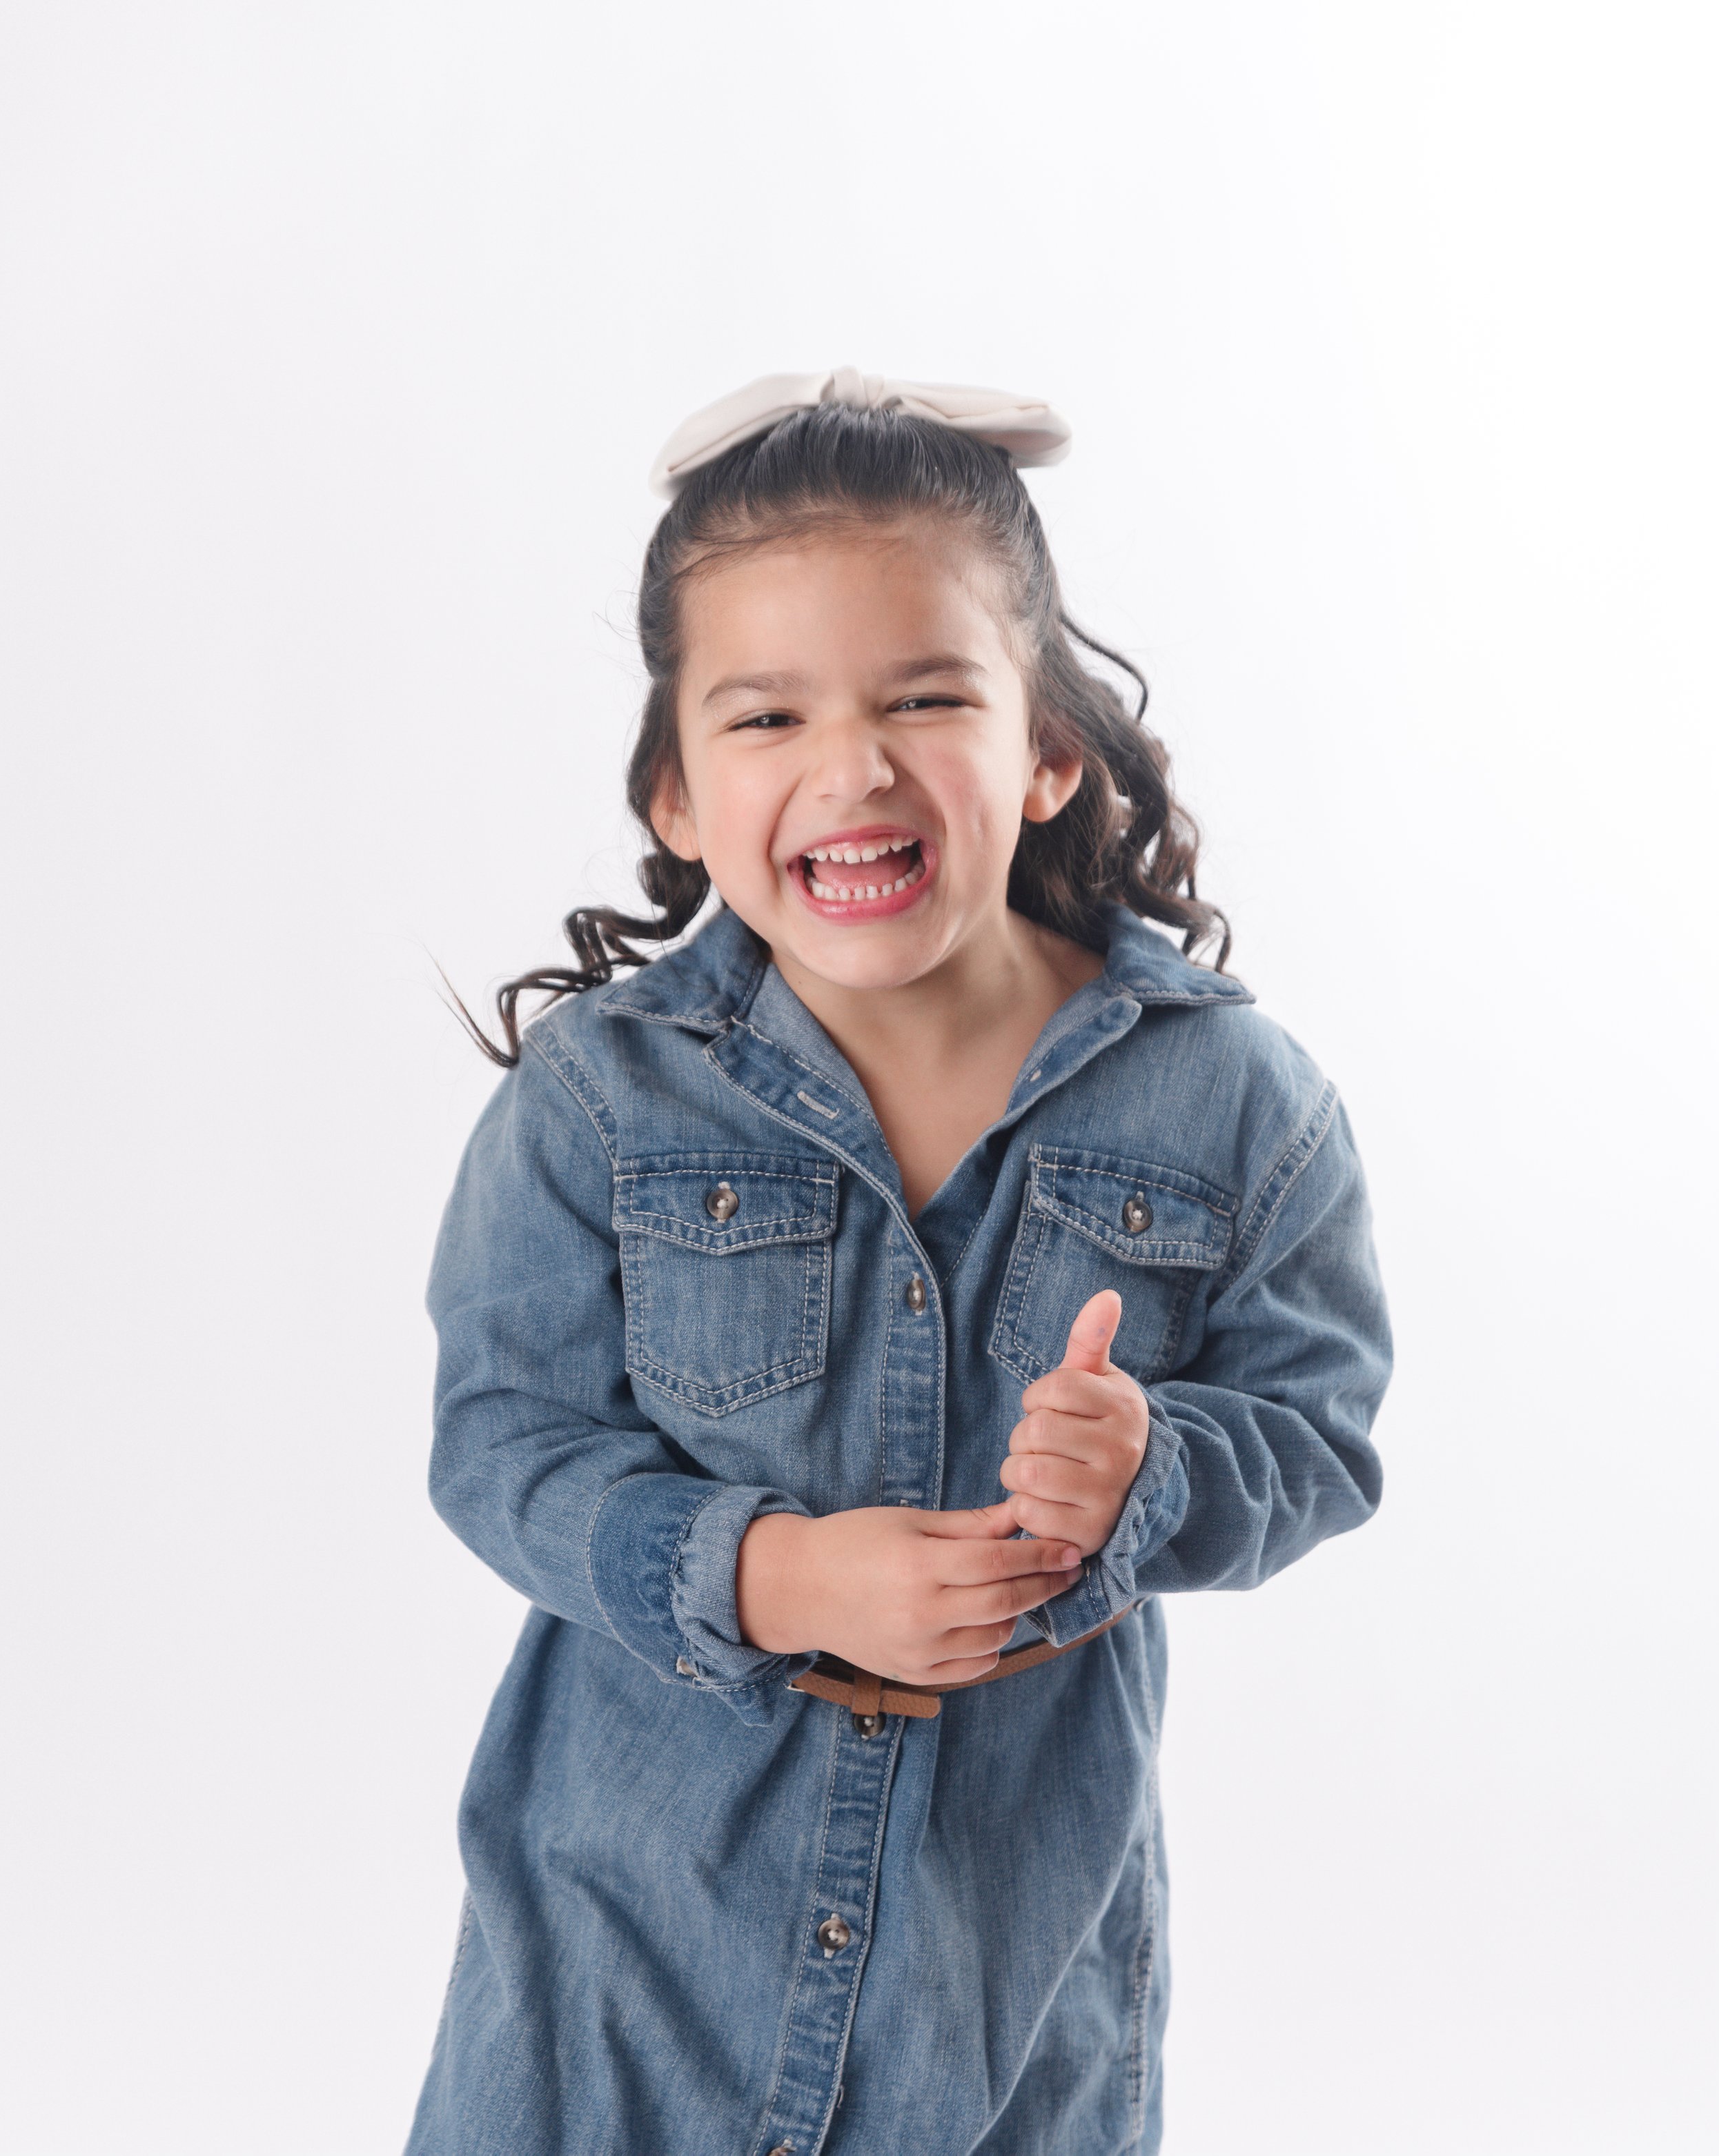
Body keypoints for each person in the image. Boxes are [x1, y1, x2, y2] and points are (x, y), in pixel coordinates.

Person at [407, 369, 1392, 2156]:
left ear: (1045, 746)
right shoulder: (603, 1098)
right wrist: (766, 1577)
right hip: (617, 1984)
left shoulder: (1233, 1101)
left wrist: (1154, 1468)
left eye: (924, 695)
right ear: (677, 795)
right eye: (766, 714)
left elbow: (1319, 1432)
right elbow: (499, 1446)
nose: (849, 768)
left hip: (999, 2002)